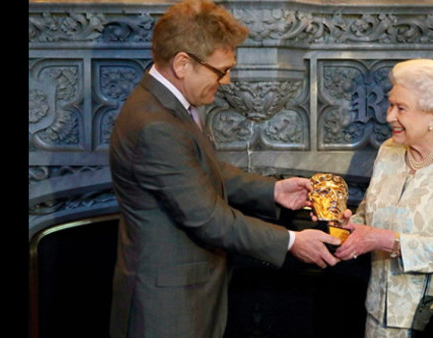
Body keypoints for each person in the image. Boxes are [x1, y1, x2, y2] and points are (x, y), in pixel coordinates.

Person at [108, 1, 340, 337]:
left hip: (181, 295)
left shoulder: (164, 105)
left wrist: (273, 190)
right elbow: (208, 219)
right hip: (166, 308)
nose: (227, 81)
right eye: (221, 70)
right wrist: (291, 241)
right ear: (183, 64)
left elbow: (202, 170)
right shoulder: (155, 125)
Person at [333, 59, 433, 337]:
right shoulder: (389, 152)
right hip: (381, 316)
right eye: (391, 104)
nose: (388, 116)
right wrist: (349, 224)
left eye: (401, 108)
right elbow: (368, 213)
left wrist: (380, 239)